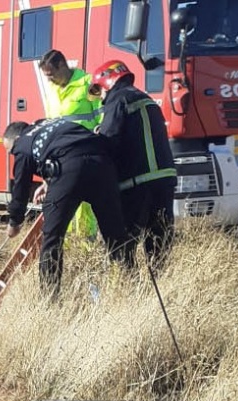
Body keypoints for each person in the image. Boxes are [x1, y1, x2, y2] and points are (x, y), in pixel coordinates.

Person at [3, 117, 130, 295]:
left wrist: (15, 221)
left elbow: (21, 186)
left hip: (69, 172)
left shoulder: (23, 143)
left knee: (52, 238)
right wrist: (48, 182)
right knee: (115, 234)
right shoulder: (49, 123)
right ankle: (129, 286)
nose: (14, 154)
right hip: (101, 163)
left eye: (11, 151)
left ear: (16, 139)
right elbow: (62, 147)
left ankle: (50, 297)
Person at [91, 60, 177, 270]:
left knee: (124, 245)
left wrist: (96, 139)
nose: (101, 98)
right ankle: (161, 282)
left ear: (107, 82)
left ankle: (128, 285)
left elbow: (109, 142)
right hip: (164, 180)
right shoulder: (147, 99)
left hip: (136, 183)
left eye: (100, 91)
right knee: (159, 244)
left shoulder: (117, 100)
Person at [39, 49, 103, 239]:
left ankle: (86, 245)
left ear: (62, 66)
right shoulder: (52, 90)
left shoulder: (89, 83)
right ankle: (64, 246)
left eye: (51, 74)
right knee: (62, 201)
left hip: (85, 153)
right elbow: (50, 123)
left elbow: (102, 115)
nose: (49, 80)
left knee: (84, 204)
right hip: (60, 156)